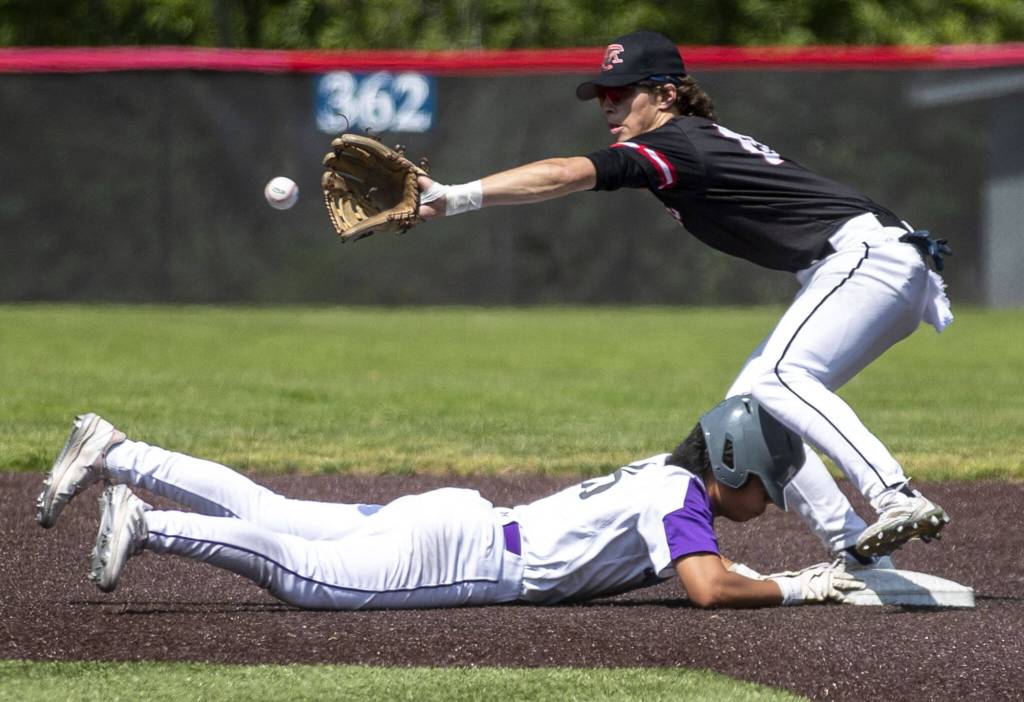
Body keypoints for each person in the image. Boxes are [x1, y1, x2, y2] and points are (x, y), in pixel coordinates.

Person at [416, 30, 953, 567]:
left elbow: (562, 174)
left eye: (623, 91)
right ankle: (860, 557)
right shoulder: (689, 142)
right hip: (876, 263)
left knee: (777, 379)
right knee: (754, 409)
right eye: (603, 93)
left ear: (667, 95)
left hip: (868, 257)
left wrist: (453, 197)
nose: (609, 103)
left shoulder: (675, 144)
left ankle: (895, 496)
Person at [36, 396, 863, 609]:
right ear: (731, 463)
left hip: (459, 518)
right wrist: (797, 584)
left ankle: (120, 451)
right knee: (313, 579)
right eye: (767, 484)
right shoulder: (681, 499)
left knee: (278, 507)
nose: (771, 499)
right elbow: (709, 589)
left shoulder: (668, 476)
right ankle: (151, 521)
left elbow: (702, 559)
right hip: (466, 553)